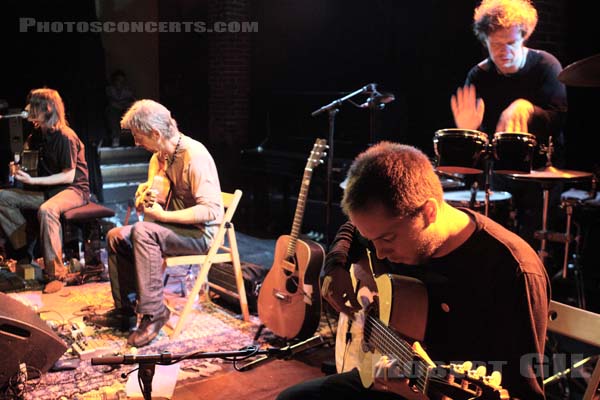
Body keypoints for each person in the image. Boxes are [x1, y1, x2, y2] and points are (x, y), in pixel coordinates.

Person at [277, 142, 550, 400]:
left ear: (429, 212)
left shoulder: (511, 271)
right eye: (371, 239)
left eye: (387, 239)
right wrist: (334, 264)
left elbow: (524, 392)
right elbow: (352, 229)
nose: (380, 252)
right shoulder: (390, 226)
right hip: (389, 375)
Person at [87, 99, 223, 347]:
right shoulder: (158, 158)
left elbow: (211, 211)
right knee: (116, 235)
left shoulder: (195, 156)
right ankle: (126, 310)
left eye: (139, 137)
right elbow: (152, 206)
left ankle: (154, 312)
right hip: (173, 229)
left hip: (201, 235)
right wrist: (143, 199)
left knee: (143, 231)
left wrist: (163, 216)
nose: (137, 143)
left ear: (156, 133)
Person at [450, 0, 567, 250]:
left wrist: (528, 108)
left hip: (542, 175)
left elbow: (561, 119)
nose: (504, 52)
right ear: (485, 42)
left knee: (534, 240)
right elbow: (475, 144)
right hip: (499, 174)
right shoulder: (479, 75)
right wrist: (469, 132)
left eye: (511, 43)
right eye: (496, 45)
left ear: (524, 37)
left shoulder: (546, 66)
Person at [0, 88, 90, 292]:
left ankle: (56, 274)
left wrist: (33, 180)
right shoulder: (37, 134)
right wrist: (17, 169)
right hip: (47, 190)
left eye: (33, 105)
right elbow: (27, 163)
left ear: (47, 108)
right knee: (3, 197)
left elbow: (69, 175)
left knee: (47, 210)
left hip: (72, 189)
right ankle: (24, 249)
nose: (28, 109)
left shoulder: (66, 136)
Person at [105, 69, 135, 147]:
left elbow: (133, 101)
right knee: (111, 113)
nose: (121, 83)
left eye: (123, 81)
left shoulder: (127, 90)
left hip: (125, 109)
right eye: (118, 80)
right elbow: (110, 102)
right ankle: (115, 138)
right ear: (114, 81)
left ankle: (138, 138)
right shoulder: (109, 89)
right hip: (114, 110)